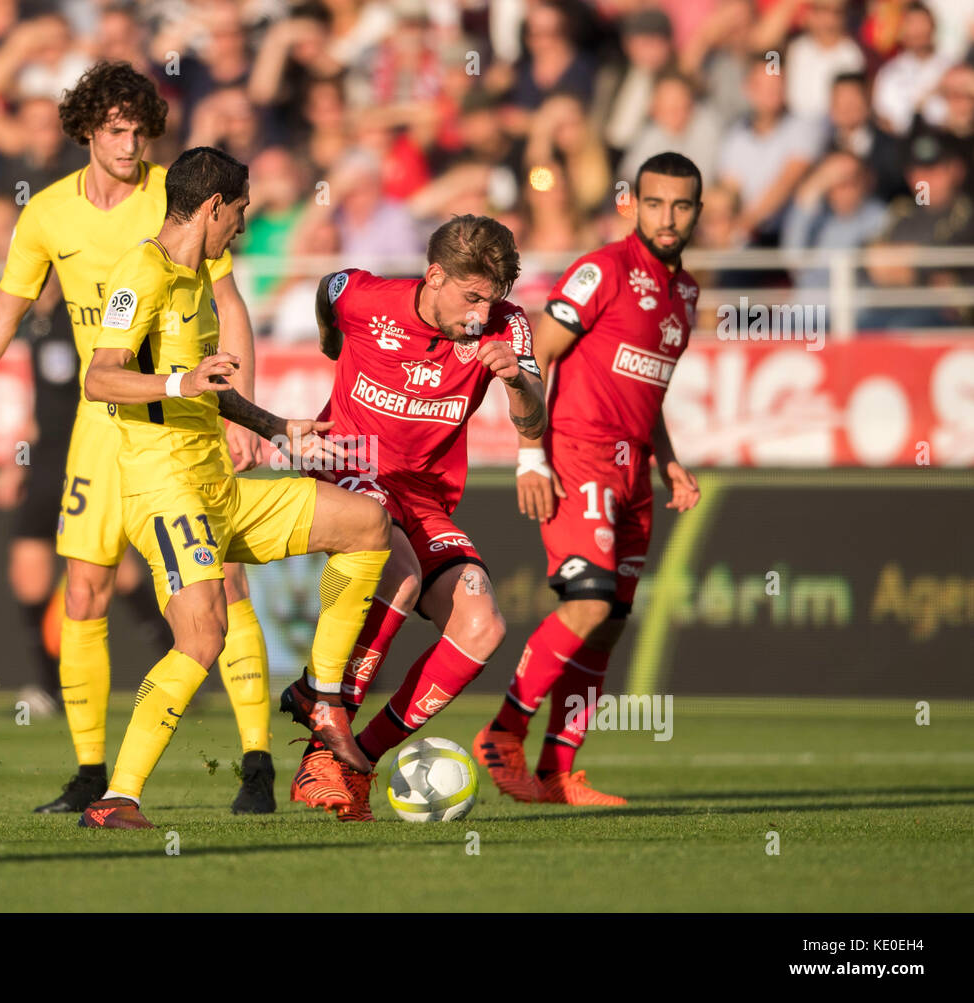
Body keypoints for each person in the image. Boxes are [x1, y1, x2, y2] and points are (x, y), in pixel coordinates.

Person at [0, 62, 279, 817]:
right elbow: (0, 319)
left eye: (140, 130)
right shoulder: (46, 215)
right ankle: (91, 773)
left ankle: (258, 761)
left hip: (180, 421)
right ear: (87, 133)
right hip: (100, 423)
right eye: (116, 131)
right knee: (83, 592)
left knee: (226, 583)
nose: (132, 145)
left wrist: (242, 409)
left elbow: (230, 305)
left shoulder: (179, 197)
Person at [78, 146, 392, 830]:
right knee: (203, 636)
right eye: (241, 212)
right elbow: (100, 377)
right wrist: (179, 383)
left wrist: (280, 429)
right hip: (167, 490)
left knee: (368, 524)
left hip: (218, 485)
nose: (243, 227)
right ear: (215, 206)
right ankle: (115, 798)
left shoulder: (195, 283)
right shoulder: (145, 269)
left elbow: (207, 392)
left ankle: (320, 693)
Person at [287, 214, 547, 822]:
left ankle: (354, 762)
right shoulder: (366, 297)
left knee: (482, 622)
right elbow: (331, 287)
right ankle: (327, 718)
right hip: (351, 466)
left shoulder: (507, 328)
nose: (482, 313)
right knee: (397, 565)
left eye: (494, 298)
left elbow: (536, 419)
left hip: (423, 494)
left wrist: (516, 385)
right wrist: (332, 344)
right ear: (434, 276)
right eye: (472, 296)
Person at [474, 152, 704, 806]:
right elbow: (535, 353)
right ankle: (505, 729)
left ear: (697, 212)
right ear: (632, 203)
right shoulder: (603, 269)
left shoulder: (685, 293)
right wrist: (533, 455)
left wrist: (668, 460)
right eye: (655, 202)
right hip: (579, 452)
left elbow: (646, 386)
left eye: (681, 205)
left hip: (635, 467)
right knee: (589, 602)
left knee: (608, 623)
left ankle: (556, 770)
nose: (668, 216)